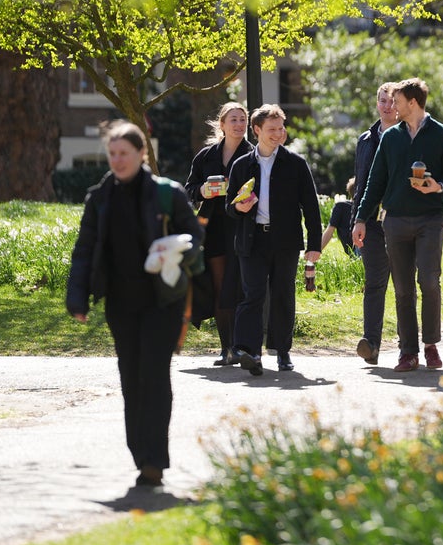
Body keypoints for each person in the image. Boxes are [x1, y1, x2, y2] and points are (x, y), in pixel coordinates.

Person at [66, 121, 203, 489]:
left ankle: (153, 462)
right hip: (121, 304)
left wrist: (174, 251)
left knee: (154, 374)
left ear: (142, 153)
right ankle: (139, 452)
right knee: (131, 378)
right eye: (112, 154)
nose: (117, 160)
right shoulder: (100, 197)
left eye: (124, 153)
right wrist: (77, 297)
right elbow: (85, 249)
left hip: (163, 301)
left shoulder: (167, 193)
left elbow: (196, 236)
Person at [353, 78, 443, 373]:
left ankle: (430, 345)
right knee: (402, 288)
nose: (393, 106)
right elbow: (374, 183)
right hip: (396, 220)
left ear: (412, 103)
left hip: (431, 219)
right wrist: (361, 219)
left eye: (398, 102)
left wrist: (438, 186)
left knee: (429, 280)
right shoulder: (391, 138)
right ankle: (408, 352)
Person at [225, 104, 322, 375]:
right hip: (251, 240)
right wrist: (237, 208)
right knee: (252, 294)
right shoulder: (242, 165)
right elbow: (229, 206)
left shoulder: (295, 164)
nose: (278, 134)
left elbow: (311, 207)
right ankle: (249, 351)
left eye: (281, 128)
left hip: (285, 241)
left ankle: (282, 352)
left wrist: (315, 245)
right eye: (272, 129)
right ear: (257, 131)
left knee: (282, 295)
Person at [184, 102, 253, 366]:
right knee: (221, 286)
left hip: (244, 227)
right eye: (233, 120)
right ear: (222, 124)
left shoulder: (254, 154)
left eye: (242, 120)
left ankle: (243, 345)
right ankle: (227, 348)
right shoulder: (205, 156)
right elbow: (189, 189)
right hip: (214, 228)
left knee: (243, 288)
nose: (239, 125)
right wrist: (204, 191)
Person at [352, 82, 400, 366]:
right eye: (382, 100)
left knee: (404, 285)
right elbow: (359, 183)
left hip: (400, 219)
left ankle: (410, 345)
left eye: (392, 101)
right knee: (374, 283)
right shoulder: (365, 139)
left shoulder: (407, 136)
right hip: (370, 222)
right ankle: (371, 343)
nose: (387, 106)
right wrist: (355, 220)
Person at [321, 178, 357, 256]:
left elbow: (329, 232)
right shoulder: (342, 207)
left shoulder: (341, 206)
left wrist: (316, 251)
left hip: (357, 252)